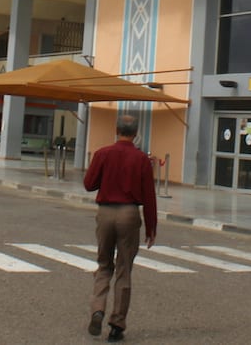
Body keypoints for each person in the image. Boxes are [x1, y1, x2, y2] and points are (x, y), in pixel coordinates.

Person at [83, 114, 157, 342]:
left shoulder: (103, 153)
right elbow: (149, 196)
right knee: (124, 269)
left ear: (116, 130)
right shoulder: (142, 159)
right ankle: (117, 325)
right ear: (135, 134)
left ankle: (98, 309)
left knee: (104, 264)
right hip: (129, 213)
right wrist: (151, 228)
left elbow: (88, 184)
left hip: (105, 212)